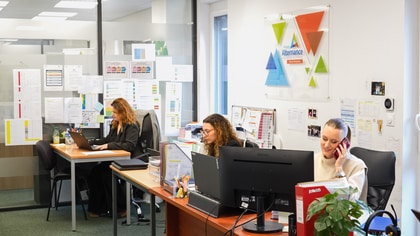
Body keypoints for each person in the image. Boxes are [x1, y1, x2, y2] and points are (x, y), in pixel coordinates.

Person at [87, 97, 140, 218]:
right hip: (115, 159)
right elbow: (107, 139)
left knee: (107, 175)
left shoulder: (132, 126)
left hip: (128, 160)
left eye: (115, 112)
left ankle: (121, 208)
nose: (113, 115)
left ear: (123, 112)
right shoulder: (115, 124)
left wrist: (108, 145)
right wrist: (91, 142)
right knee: (95, 172)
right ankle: (98, 208)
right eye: (113, 112)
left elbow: (130, 145)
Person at [314, 118, 368, 202]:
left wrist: (339, 169)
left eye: (333, 141)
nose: (327, 145)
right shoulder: (313, 160)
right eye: (324, 139)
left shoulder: (357, 166)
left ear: (344, 144)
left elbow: (350, 200)